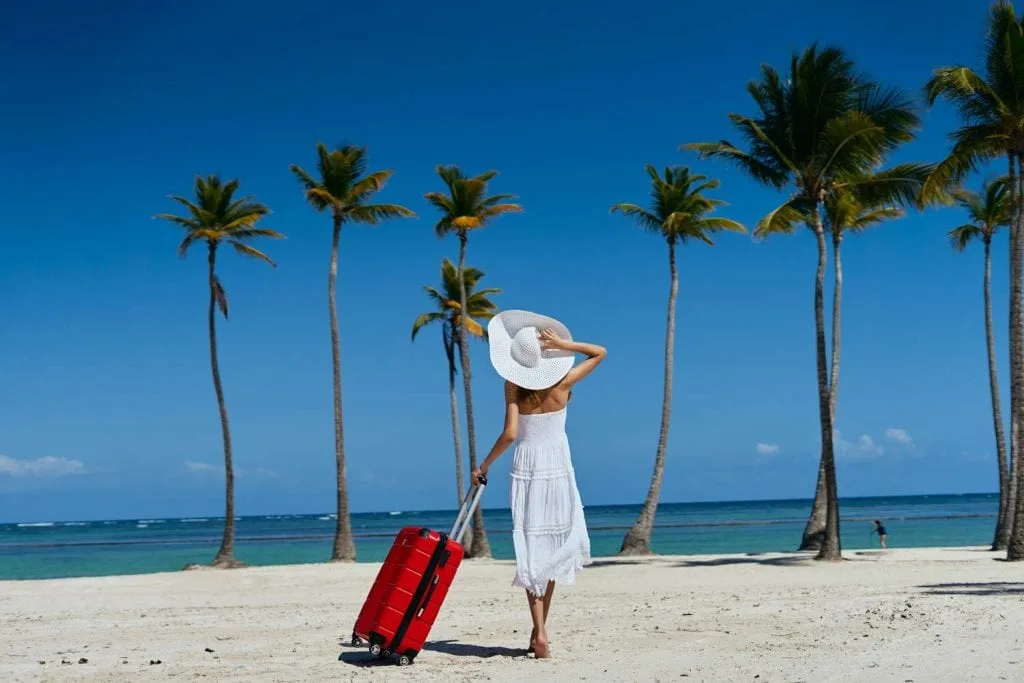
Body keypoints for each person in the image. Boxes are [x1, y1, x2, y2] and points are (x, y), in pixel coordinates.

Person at [471, 310, 606, 660]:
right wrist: (564, 344)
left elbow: (510, 434)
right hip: (558, 467)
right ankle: (540, 632)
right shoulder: (563, 383)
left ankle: (539, 632)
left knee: (531, 549)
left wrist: (484, 465)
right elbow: (600, 352)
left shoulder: (513, 386)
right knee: (552, 549)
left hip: (527, 467)